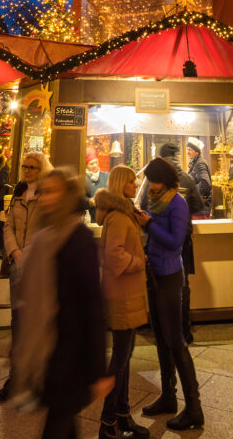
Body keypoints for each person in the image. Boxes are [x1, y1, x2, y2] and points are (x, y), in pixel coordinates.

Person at [11, 169, 111, 439]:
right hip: (48, 349)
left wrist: (98, 368)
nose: (44, 198)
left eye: (52, 191)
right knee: (63, 421)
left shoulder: (79, 240)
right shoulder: (43, 236)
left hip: (69, 353)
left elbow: (92, 304)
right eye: (42, 191)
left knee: (58, 422)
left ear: (68, 196)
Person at [136, 157, 203, 431]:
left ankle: (194, 407)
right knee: (161, 337)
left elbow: (176, 242)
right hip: (154, 274)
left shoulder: (177, 203)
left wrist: (148, 224)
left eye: (155, 180)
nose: (151, 185)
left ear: (166, 180)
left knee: (175, 339)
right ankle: (168, 396)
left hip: (170, 276)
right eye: (149, 180)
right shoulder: (153, 200)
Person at [95, 166, 149, 439]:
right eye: (131, 180)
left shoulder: (124, 213)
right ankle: (107, 422)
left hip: (127, 293)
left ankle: (123, 415)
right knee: (119, 360)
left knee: (124, 358)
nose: (135, 183)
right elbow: (114, 255)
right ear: (120, 184)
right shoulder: (117, 217)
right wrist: (139, 262)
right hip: (122, 295)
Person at [0, 151, 52, 403]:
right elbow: (8, 225)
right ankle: (15, 376)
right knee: (17, 322)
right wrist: (14, 251)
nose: (27, 170)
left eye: (32, 167)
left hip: (38, 267)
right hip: (17, 265)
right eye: (24, 166)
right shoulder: (18, 192)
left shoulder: (49, 195)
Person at [147, 143, 204, 344]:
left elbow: (147, 209)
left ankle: (165, 332)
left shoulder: (154, 182)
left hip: (161, 244)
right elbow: (199, 205)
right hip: (185, 239)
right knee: (183, 285)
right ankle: (183, 332)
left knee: (161, 287)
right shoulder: (187, 178)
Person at [186, 137, 212, 217]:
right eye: (187, 149)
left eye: (190, 149)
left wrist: (190, 191)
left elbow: (205, 184)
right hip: (198, 209)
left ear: (197, 151)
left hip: (201, 209)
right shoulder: (195, 163)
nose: (187, 152)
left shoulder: (200, 164)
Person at [85, 148, 109, 223]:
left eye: (96, 162)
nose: (95, 165)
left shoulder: (106, 176)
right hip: (90, 219)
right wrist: (89, 201)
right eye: (91, 164)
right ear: (86, 165)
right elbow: (77, 199)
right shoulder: (83, 178)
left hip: (106, 218)